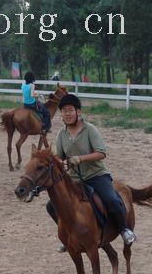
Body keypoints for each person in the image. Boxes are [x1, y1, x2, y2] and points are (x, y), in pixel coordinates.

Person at [47, 93, 136, 252]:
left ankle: (124, 229)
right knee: (51, 206)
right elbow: (59, 156)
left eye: (70, 110)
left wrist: (80, 159)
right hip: (74, 179)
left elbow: (101, 153)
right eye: (64, 111)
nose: (67, 114)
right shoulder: (61, 133)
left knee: (111, 200)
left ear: (78, 112)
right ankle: (68, 235)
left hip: (96, 176)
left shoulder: (90, 129)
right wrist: (57, 162)